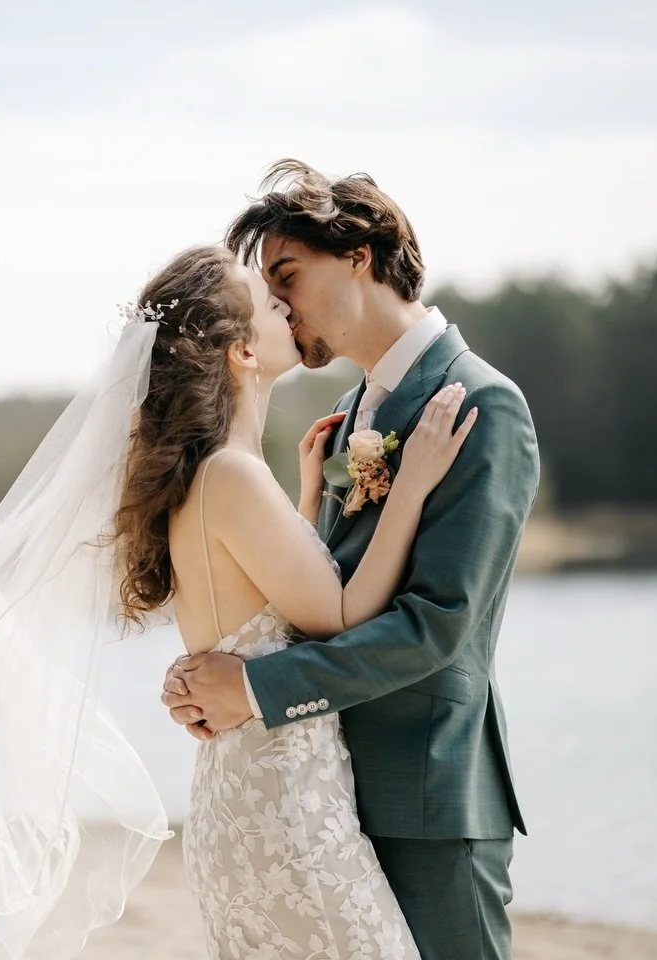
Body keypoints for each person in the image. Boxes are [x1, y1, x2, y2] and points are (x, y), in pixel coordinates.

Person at [0, 232, 476, 957]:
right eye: (272, 302)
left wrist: (307, 501)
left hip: (245, 801)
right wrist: (417, 482)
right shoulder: (232, 477)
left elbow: (265, 601)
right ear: (242, 351)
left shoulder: (214, 477)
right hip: (286, 811)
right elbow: (338, 614)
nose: (290, 307)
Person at [162, 160, 540, 960]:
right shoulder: (343, 417)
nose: (280, 307)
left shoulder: (480, 404)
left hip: (425, 795)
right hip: (320, 793)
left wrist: (255, 689)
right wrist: (213, 674)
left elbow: (436, 626)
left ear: (360, 253)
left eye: (288, 277)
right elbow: (314, 597)